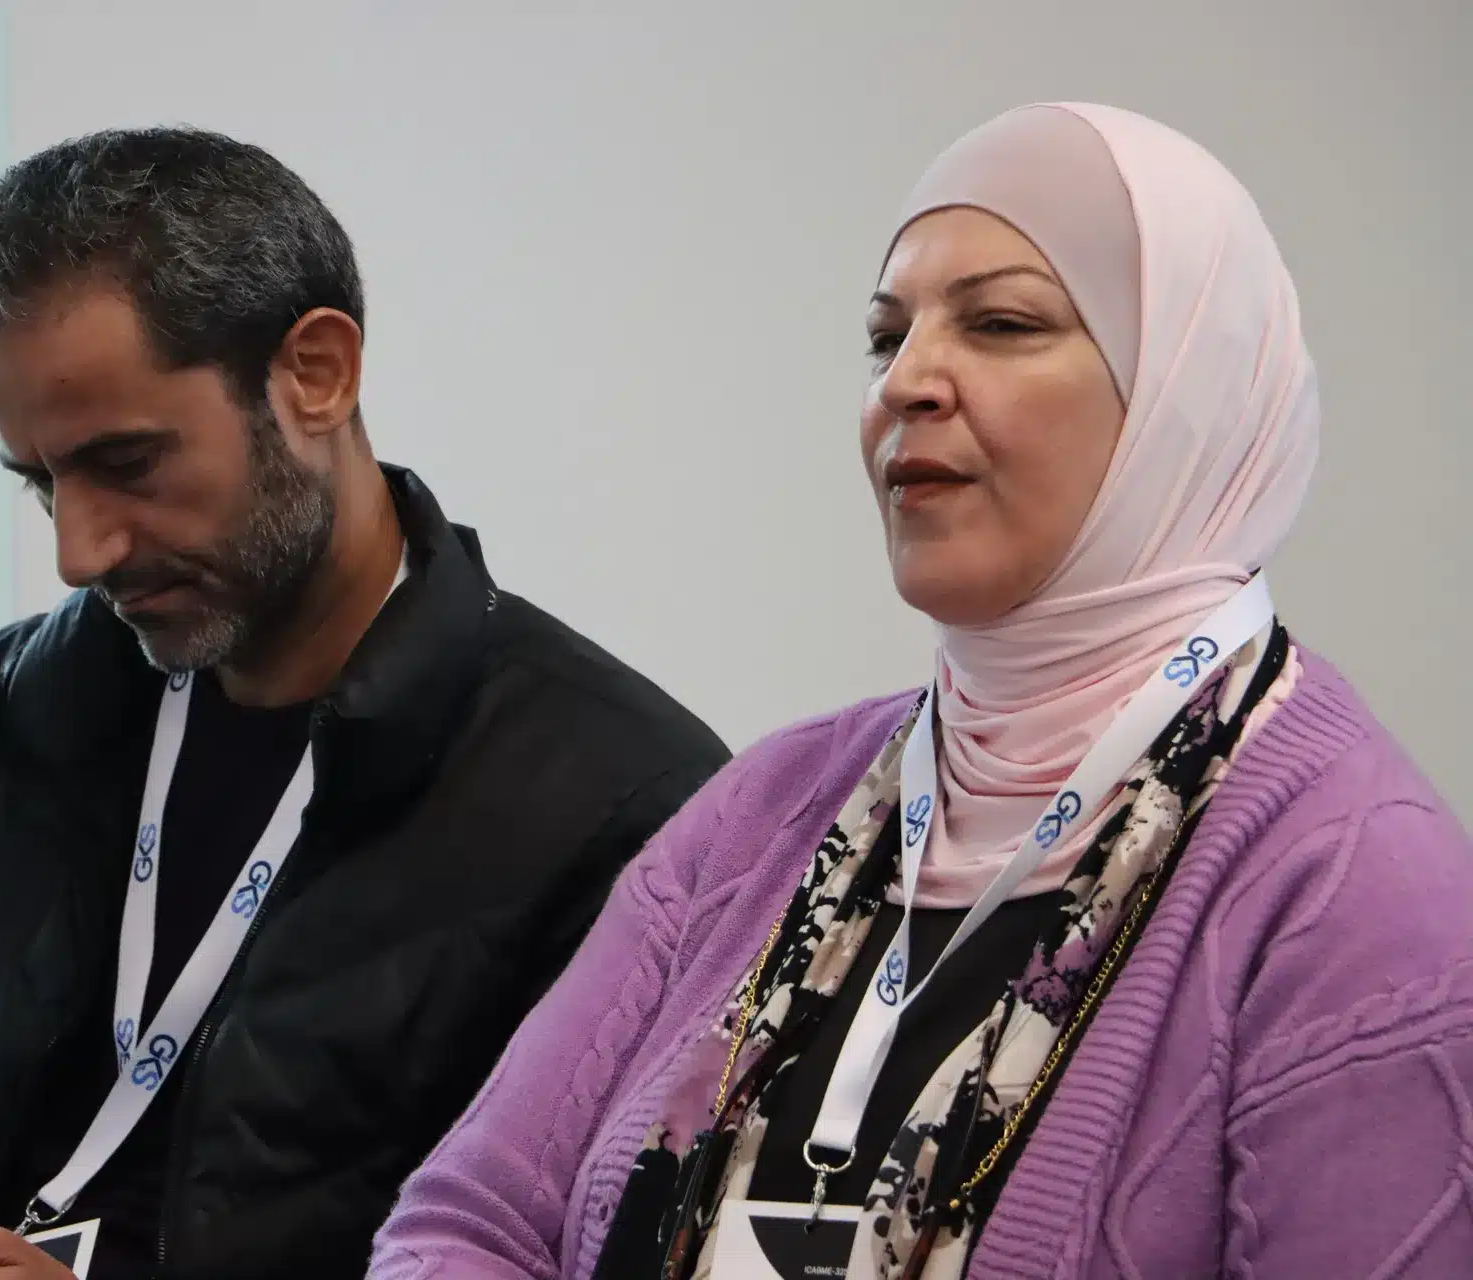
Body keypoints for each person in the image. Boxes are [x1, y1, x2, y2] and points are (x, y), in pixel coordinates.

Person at [0, 127, 729, 1279]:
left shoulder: (626, 806)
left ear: (316, 375)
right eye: (40, 482)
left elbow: (591, 1251)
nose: (80, 550)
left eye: (125, 464)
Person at [369, 103, 1473, 1280]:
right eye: (887, 336)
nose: (907, 382)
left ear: (1186, 392)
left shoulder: (1362, 887)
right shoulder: (761, 809)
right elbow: (465, 1222)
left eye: (1001, 323)